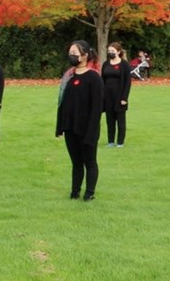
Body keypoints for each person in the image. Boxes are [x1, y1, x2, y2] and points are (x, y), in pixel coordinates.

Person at [55, 40, 104, 201]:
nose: (72, 56)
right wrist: (60, 126)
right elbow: (63, 103)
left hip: (87, 128)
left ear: (84, 55)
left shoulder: (94, 78)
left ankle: (89, 193)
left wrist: (91, 132)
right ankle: (74, 191)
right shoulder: (69, 76)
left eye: (75, 53)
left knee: (89, 161)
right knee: (76, 162)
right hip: (70, 127)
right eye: (70, 53)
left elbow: (97, 108)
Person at [101, 42, 131, 148]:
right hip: (107, 96)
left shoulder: (124, 65)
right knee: (110, 120)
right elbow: (102, 80)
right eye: (109, 51)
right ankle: (110, 141)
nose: (110, 53)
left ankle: (120, 142)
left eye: (112, 51)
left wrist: (124, 98)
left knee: (120, 120)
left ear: (118, 52)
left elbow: (128, 82)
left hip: (119, 96)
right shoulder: (106, 64)